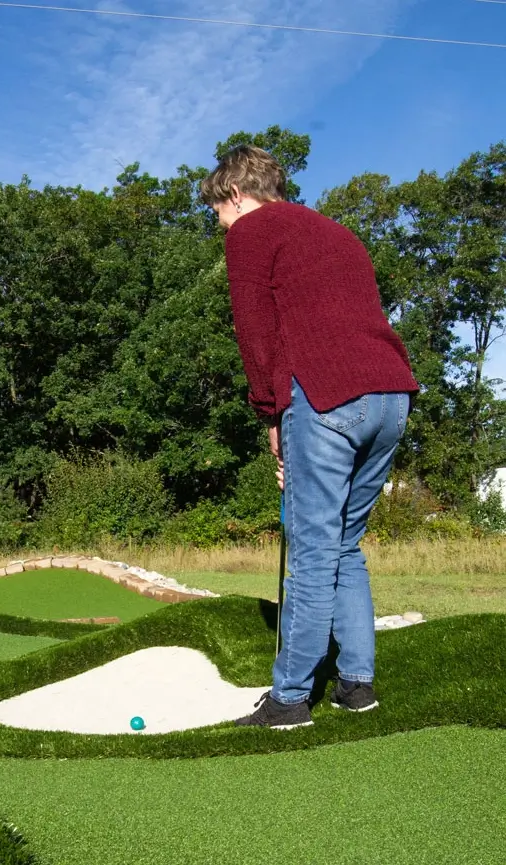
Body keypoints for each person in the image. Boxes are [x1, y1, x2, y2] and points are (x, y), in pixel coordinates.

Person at [200, 145, 419, 729]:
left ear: (235, 196)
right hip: (391, 395)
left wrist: (272, 416)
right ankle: (356, 686)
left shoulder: (249, 231)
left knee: (314, 549)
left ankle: (290, 699)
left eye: (217, 210)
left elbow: (255, 331)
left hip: (324, 395)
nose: (219, 223)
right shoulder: (337, 232)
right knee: (346, 542)